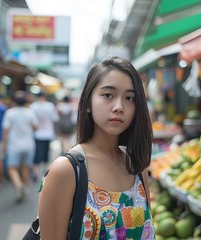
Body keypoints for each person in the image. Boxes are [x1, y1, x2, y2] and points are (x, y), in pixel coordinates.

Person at [38, 56, 154, 238]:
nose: (119, 107)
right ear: (88, 103)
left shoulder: (138, 167)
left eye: (129, 98)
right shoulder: (66, 171)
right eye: (108, 95)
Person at [2, 91, 38, 203]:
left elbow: (5, 130)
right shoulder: (30, 113)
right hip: (29, 144)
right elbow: (35, 127)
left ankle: (18, 185)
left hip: (14, 145)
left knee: (12, 168)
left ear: (14, 101)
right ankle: (25, 187)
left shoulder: (10, 113)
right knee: (26, 167)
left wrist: (4, 144)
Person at [29, 91, 59, 181]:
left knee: (37, 153)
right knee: (46, 153)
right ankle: (45, 171)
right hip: (48, 133)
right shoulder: (50, 106)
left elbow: (31, 122)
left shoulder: (33, 106)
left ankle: (35, 172)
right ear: (45, 96)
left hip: (37, 134)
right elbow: (54, 120)